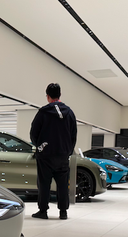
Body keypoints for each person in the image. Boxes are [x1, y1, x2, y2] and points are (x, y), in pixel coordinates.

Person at [29, 83, 77, 220]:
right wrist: (68, 151)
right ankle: (63, 212)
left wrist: (40, 146)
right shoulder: (70, 113)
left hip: (45, 155)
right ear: (60, 95)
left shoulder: (43, 112)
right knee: (63, 184)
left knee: (44, 183)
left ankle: (43, 211)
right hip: (63, 155)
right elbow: (73, 135)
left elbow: (33, 133)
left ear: (47, 96)